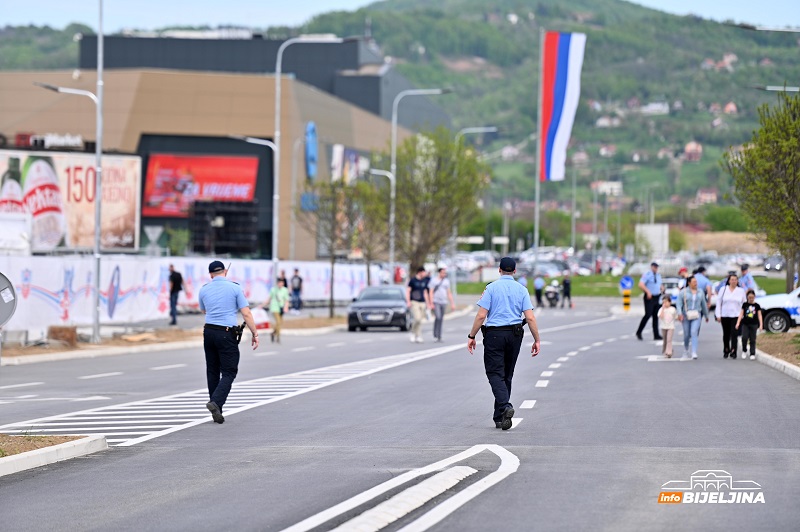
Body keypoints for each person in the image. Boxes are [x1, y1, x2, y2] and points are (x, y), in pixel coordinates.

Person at [467, 257, 541, 431]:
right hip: (515, 335)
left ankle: (505, 406)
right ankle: (500, 417)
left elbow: (481, 315)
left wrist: (472, 335)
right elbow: (530, 317)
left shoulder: (491, 288)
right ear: (515, 271)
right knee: (507, 374)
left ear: (499, 270)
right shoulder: (522, 289)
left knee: (494, 373)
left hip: (494, 335)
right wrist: (537, 339)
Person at [198, 260, 259, 424]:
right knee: (229, 371)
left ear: (210, 274)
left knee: (212, 370)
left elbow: (204, 310)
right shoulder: (235, 288)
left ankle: (217, 409)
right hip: (226, 333)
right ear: (225, 271)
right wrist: (255, 333)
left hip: (209, 332)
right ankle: (215, 402)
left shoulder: (204, 289)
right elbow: (246, 313)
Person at [676, 276, 709, 360]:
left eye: (696, 282)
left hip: (696, 314)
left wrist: (706, 315)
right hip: (686, 314)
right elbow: (679, 303)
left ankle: (694, 352)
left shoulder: (700, 291)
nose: (695, 283)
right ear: (689, 283)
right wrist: (679, 313)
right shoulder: (683, 292)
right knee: (687, 334)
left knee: (694, 332)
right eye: (694, 282)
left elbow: (703, 304)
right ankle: (686, 350)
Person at [715, 273, 746, 359]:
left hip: (736, 315)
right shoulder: (723, 289)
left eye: (735, 280)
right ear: (729, 281)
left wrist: (743, 315)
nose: (733, 281)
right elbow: (719, 302)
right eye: (732, 280)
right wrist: (718, 314)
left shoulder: (741, 291)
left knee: (734, 333)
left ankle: (733, 350)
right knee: (726, 334)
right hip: (725, 315)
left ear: (737, 281)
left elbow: (744, 303)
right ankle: (726, 349)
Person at [636, 262, 663, 341]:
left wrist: (662, 288)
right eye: (654, 267)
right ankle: (639, 332)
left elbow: (659, 284)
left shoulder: (658, 275)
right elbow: (641, 284)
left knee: (655, 316)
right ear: (651, 267)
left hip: (657, 296)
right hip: (649, 297)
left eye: (657, 267)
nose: (656, 268)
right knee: (648, 314)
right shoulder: (647, 274)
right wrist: (647, 292)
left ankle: (656, 334)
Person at [429, 267, 456, 342]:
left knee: (441, 318)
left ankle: (439, 335)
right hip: (436, 301)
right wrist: (431, 303)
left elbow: (449, 293)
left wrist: (452, 303)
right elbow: (431, 292)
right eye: (443, 273)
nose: (444, 274)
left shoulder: (446, 281)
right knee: (438, 317)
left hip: (443, 302)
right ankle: (435, 334)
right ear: (439, 273)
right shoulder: (434, 280)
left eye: (445, 273)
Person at [406, 267, 432, 343]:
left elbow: (425, 292)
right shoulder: (413, 280)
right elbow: (408, 291)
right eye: (424, 272)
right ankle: (413, 333)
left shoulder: (424, 281)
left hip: (422, 302)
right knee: (417, 318)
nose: (425, 274)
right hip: (414, 301)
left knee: (420, 320)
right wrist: (408, 301)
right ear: (420, 272)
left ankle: (418, 335)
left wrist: (428, 303)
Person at [736, 289, 763, 360]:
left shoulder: (757, 305)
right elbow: (741, 314)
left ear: (754, 297)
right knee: (744, 338)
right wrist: (738, 323)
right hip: (745, 324)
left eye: (752, 297)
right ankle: (744, 350)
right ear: (747, 297)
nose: (751, 299)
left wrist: (761, 325)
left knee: (752, 339)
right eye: (749, 297)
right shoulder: (745, 305)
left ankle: (752, 353)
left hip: (754, 324)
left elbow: (759, 315)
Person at [264, 278, 290, 343]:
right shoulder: (273, 289)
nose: (280, 284)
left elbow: (286, 300)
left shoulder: (285, 290)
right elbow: (269, 298)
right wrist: (262, 305)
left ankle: (273, 333)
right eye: (279, 282)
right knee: (278, 322)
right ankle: (278, 337)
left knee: (280, 322)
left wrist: (286, 307)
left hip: (281, 308)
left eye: (281, 283)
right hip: (274, 307)